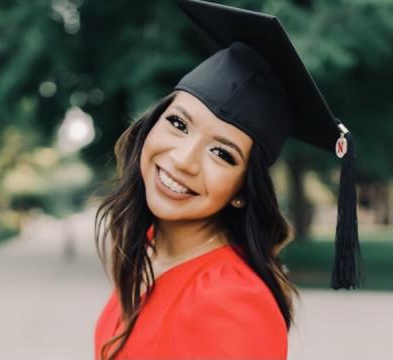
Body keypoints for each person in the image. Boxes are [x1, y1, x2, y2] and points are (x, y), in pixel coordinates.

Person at [94, 0, 363, 359]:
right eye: (178, 124)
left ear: (242, 191)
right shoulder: (147, 247)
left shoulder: (232, 301)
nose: (183, 160)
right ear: (151, 125)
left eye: (222, 154)